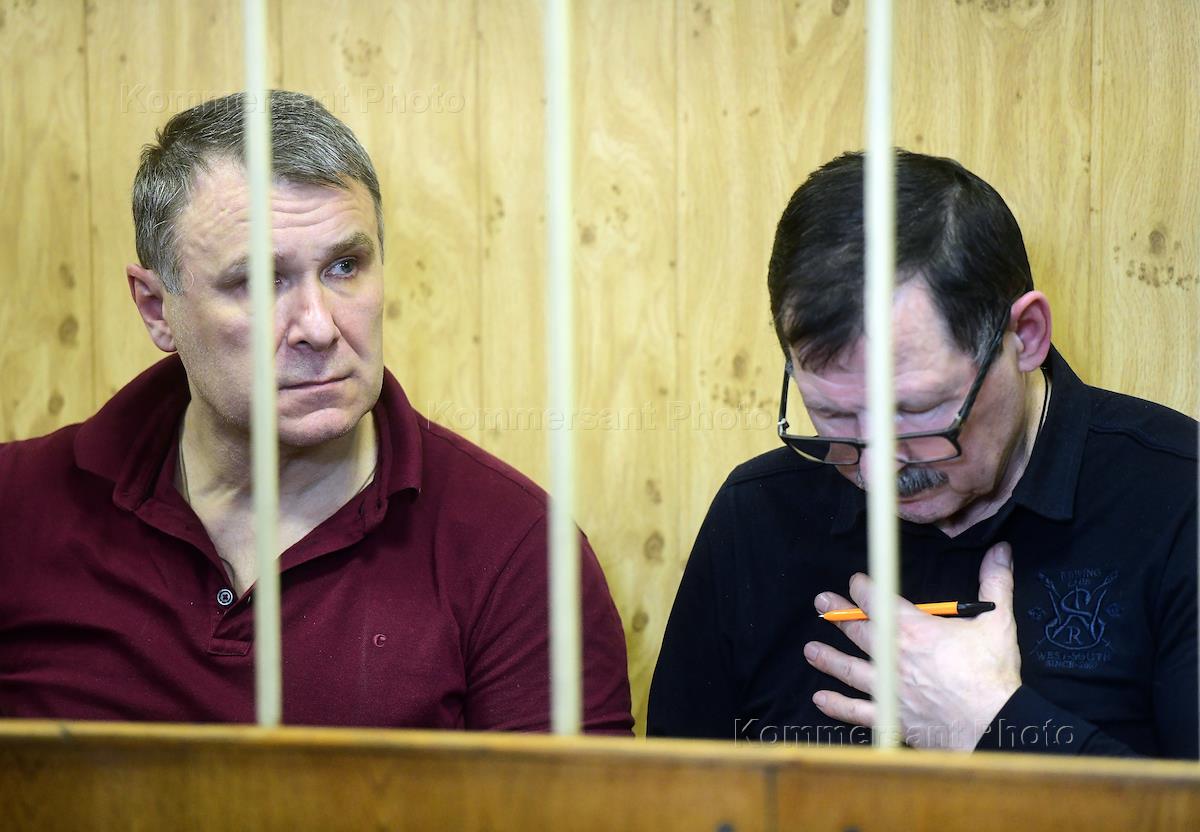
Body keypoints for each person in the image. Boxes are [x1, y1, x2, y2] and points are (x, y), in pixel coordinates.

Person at [0, 91, 633, 733]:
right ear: (157, 309)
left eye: (344, 267)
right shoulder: (16, 507)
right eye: (258, 280)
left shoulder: (515, 551)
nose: (319, 327)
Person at [647, 150, 1197, 757]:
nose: (877, 469)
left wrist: (993, 724)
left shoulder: (1178, 498)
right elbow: (668, 797)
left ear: (1026, 336)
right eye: (835, 416)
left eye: (916, 412)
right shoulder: (756, 515)